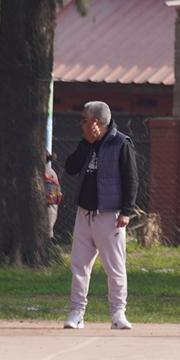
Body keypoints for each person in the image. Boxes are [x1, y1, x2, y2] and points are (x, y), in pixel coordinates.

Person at [63, 101, 138, 330]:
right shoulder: (87, 142)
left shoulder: (120, 143)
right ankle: (77, 313)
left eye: (83, 119)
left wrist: (126, 211)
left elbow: (131, 179)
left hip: (110, 215)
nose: (81, 124)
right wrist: (86, 143)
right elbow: (70, 167)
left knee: (115, 267)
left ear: (95, 122)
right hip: (84, 214)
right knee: (79, 266)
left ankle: (118, 314)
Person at [44, 152, 61, 238]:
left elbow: (54, 193)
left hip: (48, 205)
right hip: (52, 205)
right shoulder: (52, 172)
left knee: (47, 227)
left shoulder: (46, 172)